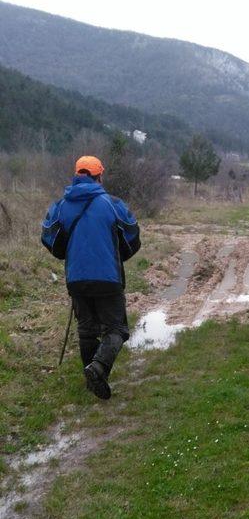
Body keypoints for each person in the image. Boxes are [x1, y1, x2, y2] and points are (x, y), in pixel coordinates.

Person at [41, 155, 140, 400]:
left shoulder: (60, 206)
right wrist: (116, 256)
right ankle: (98, 369)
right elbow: (132, 236)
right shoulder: (113, 204)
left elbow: (48, 237)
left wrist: (67, 254)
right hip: (108, 279)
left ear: (77, 175)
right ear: (99, 176)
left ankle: (92, 380)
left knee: (86, 330)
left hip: (76, 279)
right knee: (117, 330)